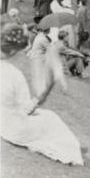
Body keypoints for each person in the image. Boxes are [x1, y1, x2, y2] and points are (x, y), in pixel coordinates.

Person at [0, 24, 84, 165]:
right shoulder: (15, 75)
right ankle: (69, 147)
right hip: (12, 127)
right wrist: (41, 96)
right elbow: (26, 109)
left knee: (43, 115)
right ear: (15, 51)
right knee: (51, 118)